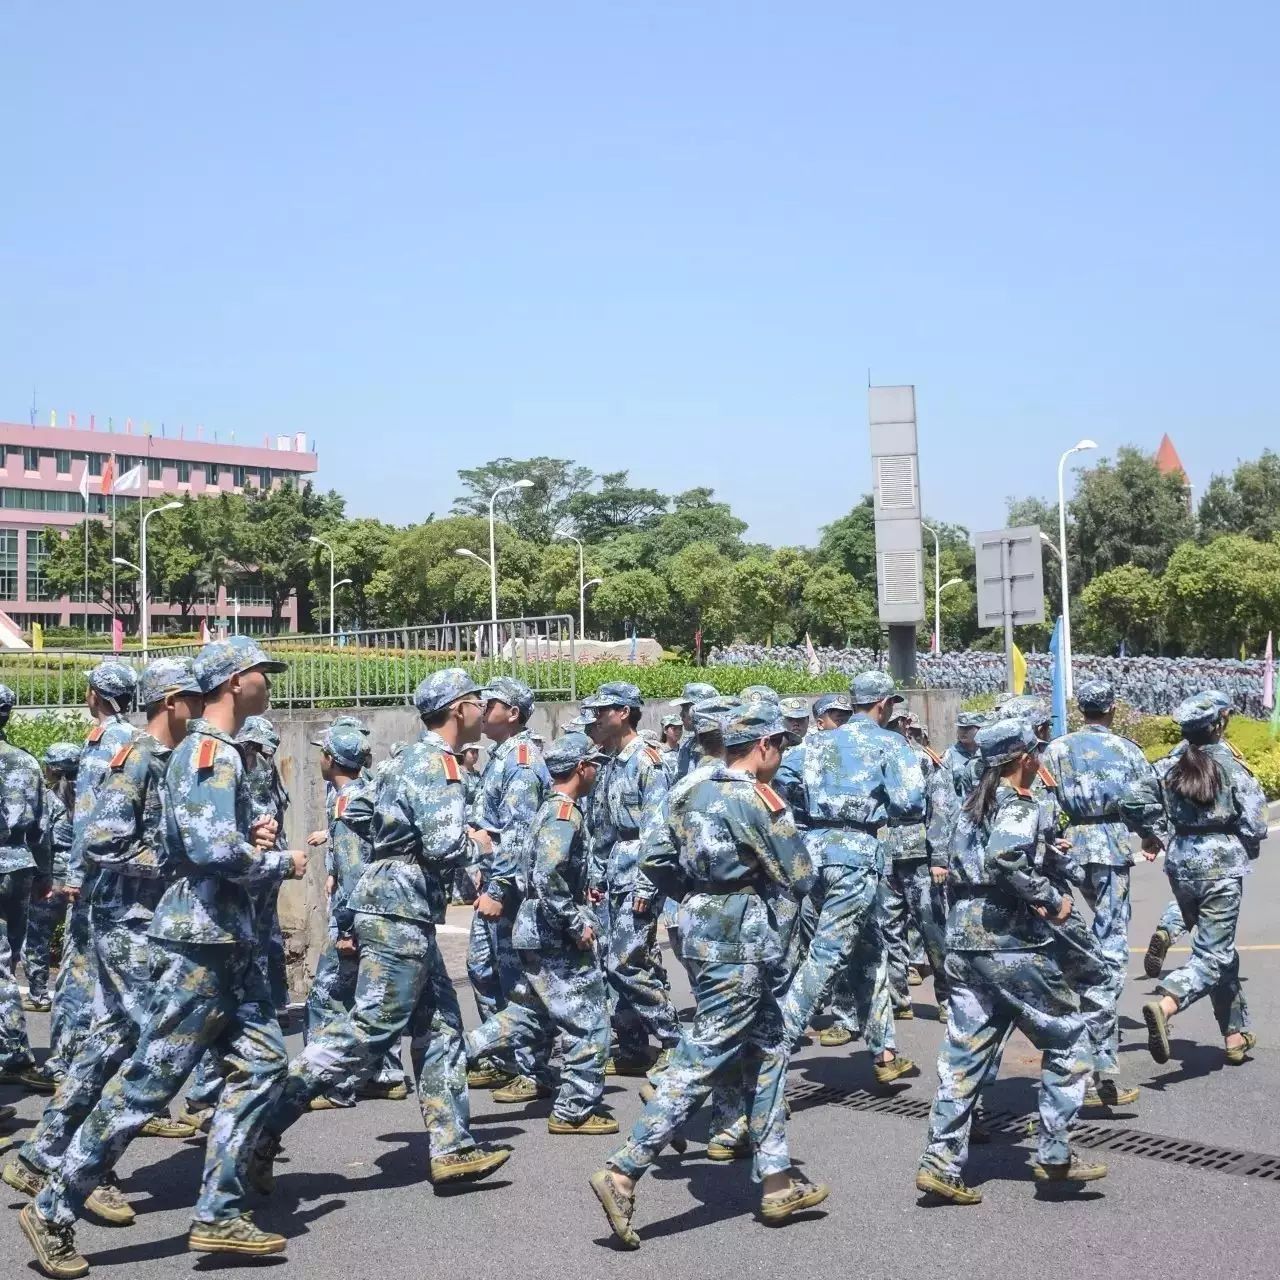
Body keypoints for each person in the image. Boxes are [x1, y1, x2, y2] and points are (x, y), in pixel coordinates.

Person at [20, 638, 306, 1277]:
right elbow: (207, 856)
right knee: (151, 1078)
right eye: (261, 671)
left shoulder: (209, 752)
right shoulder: (207, 752)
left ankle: (219, 1212)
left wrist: (250, 839)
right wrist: (277, 860)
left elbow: (205, 841)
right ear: (235, 682)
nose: (268, 682)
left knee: (262, 1067)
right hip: (202, 939)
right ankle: (54, 1202)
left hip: (227, 940)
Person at [248, 669, 512, 1199]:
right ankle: (258, 1123)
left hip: (396, 902)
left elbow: (366, 816)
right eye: (477, 702)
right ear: (458, 709)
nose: (484, 710)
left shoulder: (404, 758)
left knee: (440, 1029)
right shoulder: (439, 765)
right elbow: (442, 846)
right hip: (399, 909)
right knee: (369, 1028)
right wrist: (484, 842)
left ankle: (452, 1146)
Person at [589, 704, 827, 1248]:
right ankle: (623, 1168)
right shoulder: (755, 798)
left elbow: (653, 859)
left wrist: (697, 894)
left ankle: (777, 1180)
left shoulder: (687, 790)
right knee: (706, 1054)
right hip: (739, 937)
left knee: (767, 1049)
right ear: (763, 746)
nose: (782, 756)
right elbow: (801, 873)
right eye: (780, 747)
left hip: (697, 926)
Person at [6, 658, 207, 1224]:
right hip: (126, 917)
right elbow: (102, 841)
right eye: (193, 695)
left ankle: (42, 1152)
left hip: (141, 916)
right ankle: (86, 1170)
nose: (201, 704)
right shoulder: (134, 752)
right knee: (147, 1040)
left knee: (115, 1036)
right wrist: (179, 862)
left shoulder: (159, 755)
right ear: (171, 700)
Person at [915, 718, 1103, 1206]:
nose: (1039, 759)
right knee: (1068, 1035)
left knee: (965, 1052)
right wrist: (1050, 899)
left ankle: (940, 1161)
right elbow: (1005, 859)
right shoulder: (1019, 803)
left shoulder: (971, 805)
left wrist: (1047, 854)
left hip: (963, 942)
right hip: (1010, 942)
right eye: (1036, 752)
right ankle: (1055, 1150)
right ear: (1023, 758)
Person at [465, 731, 617, 1135]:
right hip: (555, 934)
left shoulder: (549, 810)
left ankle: (462, 1052)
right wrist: (578, 923)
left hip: (534, 930)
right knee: (590, 1021)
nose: (597, 774)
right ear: (581, 769)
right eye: (594, 766)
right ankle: (575, 1110)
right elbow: (549, 877)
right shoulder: (564, 815)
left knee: (529, 1014)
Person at [781, 672, 920, 1085]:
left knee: (870, 949)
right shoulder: (889, 743)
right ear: (881, 704)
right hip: (856, 853)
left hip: (815, 850)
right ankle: (770, 1048)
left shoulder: (817, 742)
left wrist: (814, 803)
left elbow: (783, 778)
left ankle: (885, 1051)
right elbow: (910, 801)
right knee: (827, 956)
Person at [1124, 693, 1268, 1067]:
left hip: (1182, 861)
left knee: (1219, 949)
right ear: (1219, 724)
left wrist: (1152, 832)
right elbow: (1254, 820)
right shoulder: (1230, 763)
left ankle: (1234, 1034)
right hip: (1221, 864)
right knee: (1214, 954)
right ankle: (1167, 1003)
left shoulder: (1169, 762)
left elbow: (1132, 802)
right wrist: (1246, 846)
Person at [1042, 679, 1158, 1106]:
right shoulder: (1127, 750)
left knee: (1071, 947)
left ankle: (1081, 1052)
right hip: (1108, 847)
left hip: (1067, 847)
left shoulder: (1056, 749)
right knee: (1110, 951)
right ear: (1110, 708)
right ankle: (1099, 1062)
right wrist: (1150, 835)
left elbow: (1045, 802)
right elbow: (1143, 801)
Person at [40, 662, 140, 1092]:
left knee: (80, 970)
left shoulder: (101, 741)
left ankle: (66, 1060)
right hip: (126, 874)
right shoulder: (137, 737)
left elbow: (88, 818)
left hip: (98, 876)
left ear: (95, 696)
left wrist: (76, 874)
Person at [303, 725, 405, 1111]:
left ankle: (334, 1085)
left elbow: (352, 871)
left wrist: (345, 927)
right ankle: (384, 1075)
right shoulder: (372, 790)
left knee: (326, 998)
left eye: (323, 753)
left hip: (359, 916)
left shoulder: (347, 802)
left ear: (331, 760)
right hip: (384, 909)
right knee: (373, 998)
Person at [581, 681, 679, 1075]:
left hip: (640, 873)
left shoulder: (648, 762)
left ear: (624, 712)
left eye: (603, 710)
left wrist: (646, 883)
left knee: (626, 962)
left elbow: (658, 830)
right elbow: (600, 826)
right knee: (612, 961)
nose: (596, 718)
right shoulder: (607, 761)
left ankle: (674, 1039)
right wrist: (594, 874)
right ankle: (633, 1045)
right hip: (611, 875)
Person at [465, 677, 553, 1102]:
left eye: (491, 703)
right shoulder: (500, 757)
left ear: (513, 713)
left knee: (517, 979)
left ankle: (534, 1068)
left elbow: (517, 834)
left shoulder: (519, 760)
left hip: (510, 890)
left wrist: (499, 888)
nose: (482, 709)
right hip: (493, 880)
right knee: (482, 969)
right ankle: (503, 1059)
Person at [0, 683, 52, 1094]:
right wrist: (45, 874)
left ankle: (14, 1052)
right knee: (8, 955)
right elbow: (41, 828)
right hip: (17, 865)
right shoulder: (26, 763)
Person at [21, 745, 80, 1014]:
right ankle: (74, 998)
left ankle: (39, 995)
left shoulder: (48, 799)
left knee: (36, 938)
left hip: (53, 874)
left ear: (52, 769)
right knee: (76, 940)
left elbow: (41, 840)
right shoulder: (93, 796)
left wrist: (40, 877)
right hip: (81, 876)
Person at [668, 682, 718, 780]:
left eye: (686, 708)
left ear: (703, 709)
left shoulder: (723, 745)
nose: (681, 714)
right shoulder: (687, 746)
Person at [941, 712, 986, 801]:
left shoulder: (987, 753)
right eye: (961, 728)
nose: (963, 732)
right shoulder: (950, 755)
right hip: (960, 809)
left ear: (980, 729)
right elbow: (945, 789)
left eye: (968, 728)